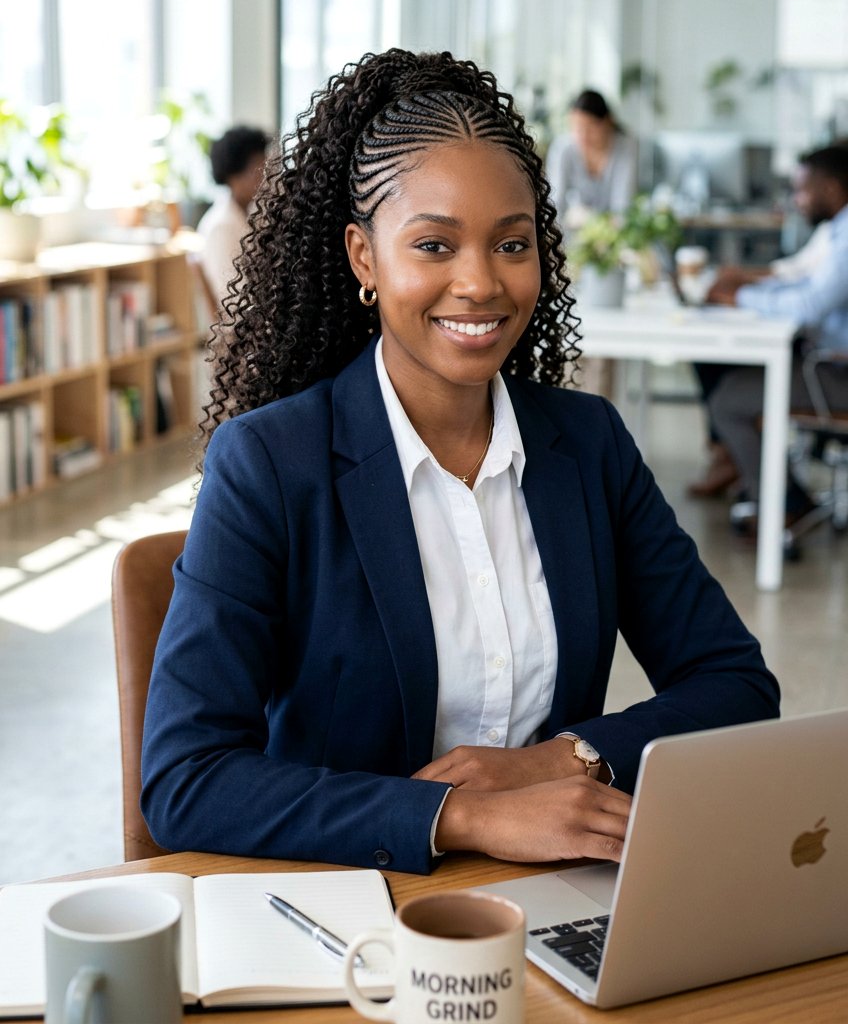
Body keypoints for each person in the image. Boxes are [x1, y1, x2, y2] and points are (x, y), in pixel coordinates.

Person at [141, 49, 778, 876]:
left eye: (511, 245)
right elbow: (187, 780)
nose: (480, 283)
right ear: (365, 259)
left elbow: (734, 684)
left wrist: (563, 760)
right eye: (434, 245)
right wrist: (461, 815)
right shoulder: (269, 463)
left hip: (551, 900)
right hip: (348, 901)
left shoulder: (587, 445)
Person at [706, 145, 848, 532]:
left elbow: (808, 304)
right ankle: (777, 491)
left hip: (835, 372)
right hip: (827, 362)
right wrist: (744, 290)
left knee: (729, 402)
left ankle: (785, 504)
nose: (796, 199)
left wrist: (739, 297)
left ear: (832, 189)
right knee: (725, 374)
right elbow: (801, 278)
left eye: (803, 189)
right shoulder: (836, 231)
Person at [196, 125, 270, 308]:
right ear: (233, 174)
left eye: (264, 163)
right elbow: (233, 301)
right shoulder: (220, 226)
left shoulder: (254, 213)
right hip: (245, 327)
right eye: (256, 167)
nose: (264, 174)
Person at [545, 88, 637, 223]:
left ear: (608, 122)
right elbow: (555, 202)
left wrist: (591, 219)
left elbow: (623, 207)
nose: (583, 135)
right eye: (577, 127)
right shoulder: (563, 149)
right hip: (568, 232)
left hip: (611, 233)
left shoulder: (625, 148)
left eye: (590, 127)